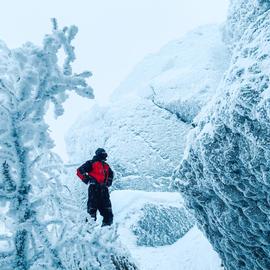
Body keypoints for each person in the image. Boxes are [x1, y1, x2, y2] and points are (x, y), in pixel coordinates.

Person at [76, 148, 114, 226]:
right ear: (98, 154)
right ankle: (88, 234)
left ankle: (106, 233)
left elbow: (111, 174)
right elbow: (79, 171)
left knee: (108, 213)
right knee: (91, 212)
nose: (104, 155)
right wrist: (88, 180)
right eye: (103, 154)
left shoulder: (106, 165)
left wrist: (108, 182)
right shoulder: (91, 163)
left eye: (105, 154)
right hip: (94, 189)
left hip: (104, 190)